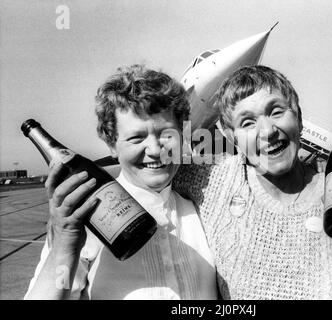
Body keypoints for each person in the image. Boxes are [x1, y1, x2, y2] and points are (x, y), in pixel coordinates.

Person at [174, 65, 332, 299]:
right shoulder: (214, 181)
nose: (267, 131)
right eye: (247, 123)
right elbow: (146, 163)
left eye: (277, 111)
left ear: (298, 119)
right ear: (231, 137)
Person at [24, 64, 217, 300]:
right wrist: (65, 244)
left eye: (167, 134)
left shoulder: (204, 210)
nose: (155, 150)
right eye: (136, 138)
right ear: (112, 145)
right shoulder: (87, 218)